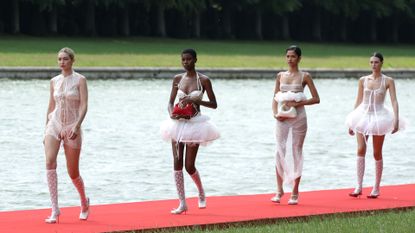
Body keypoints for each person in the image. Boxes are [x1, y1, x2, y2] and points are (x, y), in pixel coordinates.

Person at [160, 48, 220, 214]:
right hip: (177, 124)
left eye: (189, 59)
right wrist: (172, 113)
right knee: (177, 163)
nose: (186, 62)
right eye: (183, 60)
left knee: (189, 165)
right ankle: (182, 202)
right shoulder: (177, 79)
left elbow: (214, 104)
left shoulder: (204, 80)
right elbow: (170, 102)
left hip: (195, 125)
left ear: (195, 60)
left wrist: (194, 99)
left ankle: (200, 191)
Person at [346, 52, 404, 198]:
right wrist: (352, 121)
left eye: (376, 62)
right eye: (371, 62)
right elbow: (358, 100)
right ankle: (358, 187)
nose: (373, 65)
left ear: (382, 63)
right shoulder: (363, 80)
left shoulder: (388, 81)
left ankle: (376, 188)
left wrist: (396, 119)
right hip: (362, 116)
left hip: (380, 117)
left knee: (376, 152)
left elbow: (394, 101)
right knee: (360, 148)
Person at [44, 47, 89, 223]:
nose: (62, 62)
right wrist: (45, 129)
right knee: (49, 162)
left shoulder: (80, 80)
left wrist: (77, 126)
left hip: (72, 126)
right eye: (59, 59)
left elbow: (84, 105)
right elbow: (50, 106)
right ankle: (55, 210)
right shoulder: (53, 81)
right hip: (54, 125)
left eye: (65, 59)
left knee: (73, 172)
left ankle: (84, 202)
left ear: (72, 61)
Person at [271, 45, 320, 205]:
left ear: (299, 58)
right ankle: (279, 190)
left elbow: (316, 98)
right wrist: (275, 114)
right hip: (282, 118)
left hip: (299, 118)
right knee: (279, 152)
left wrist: (296, 104)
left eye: (293, 56)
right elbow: (275, 97)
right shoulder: (280, 76)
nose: (290, 59)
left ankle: (295, 191)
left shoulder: (305, 76)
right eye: (288, 56)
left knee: (296, 150)